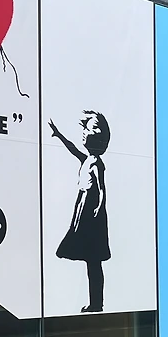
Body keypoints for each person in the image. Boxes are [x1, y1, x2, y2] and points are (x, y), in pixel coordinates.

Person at [49, 111, 111, 313]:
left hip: (91, 211)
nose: (83, 133)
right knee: (91, 260)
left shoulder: (96, 164)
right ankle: (95, 303)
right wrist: (58, 134)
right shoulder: (87, 159)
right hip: (83, 208)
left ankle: (96, 303)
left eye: (87, 129)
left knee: (94, 261)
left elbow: (101, 190)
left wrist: (98, 208)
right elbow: (72, 149)